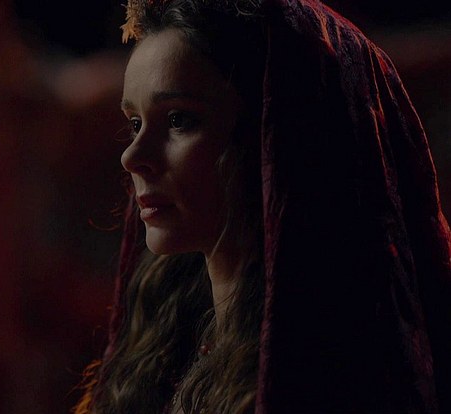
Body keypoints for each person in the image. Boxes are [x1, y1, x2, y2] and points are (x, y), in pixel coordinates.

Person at [74, 0, 451, 413]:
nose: (131, 156)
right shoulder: (164, 356)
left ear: (274, 135)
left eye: (179, 120)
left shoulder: (334, 377)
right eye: (135, 124)